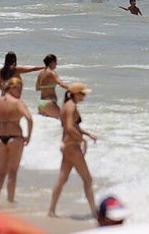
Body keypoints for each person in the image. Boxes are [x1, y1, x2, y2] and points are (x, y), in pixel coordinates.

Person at [49, 82, 98, 218]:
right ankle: (94, 212)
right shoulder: (71, 107)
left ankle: (51, 211)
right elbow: (70, 128)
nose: (84, 96)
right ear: (75, 94)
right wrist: (82, 140)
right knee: (87, 180)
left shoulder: (68, 106)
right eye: (82, 94)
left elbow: (72, 126)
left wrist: (87, 134)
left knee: (62, 179)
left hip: (67, 146)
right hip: (72, 147)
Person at [0, 77, 33, 202]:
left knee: (1, 172)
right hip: (16, 139)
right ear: (12, 88)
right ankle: (10, 200)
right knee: (12, 172)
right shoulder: (18, 103)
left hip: (2, 139)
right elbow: (29, 118)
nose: (21, 92)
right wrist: (28, 136)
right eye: (19, 89)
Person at [36, 54, 71, 119]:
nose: (56, 64)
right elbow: (60, 83)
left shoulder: (41, 73)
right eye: (56, 62)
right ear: (52, 62)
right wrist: (72, 88)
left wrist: (46, 87)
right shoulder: (52, 72)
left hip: (41, 103)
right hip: (49, 103)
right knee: (64, 120)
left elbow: (37, 88)